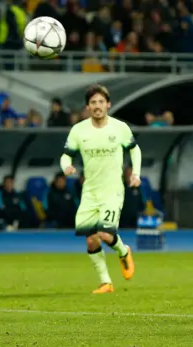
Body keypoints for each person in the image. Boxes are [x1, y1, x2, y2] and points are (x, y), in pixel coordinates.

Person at [60, 85, 141, 294]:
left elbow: (135, 150)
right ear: (88, 107)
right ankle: (106, 282)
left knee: (105, 233)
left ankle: (123, 252)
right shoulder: (79, 130)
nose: (97, 106)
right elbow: (66, 154)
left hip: (112, 189)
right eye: (93, 102)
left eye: (101, 102)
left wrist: (136, 174)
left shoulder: (119, 128)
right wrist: (66, 166)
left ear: (108, 104)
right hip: (90, 192)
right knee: (91, 238)